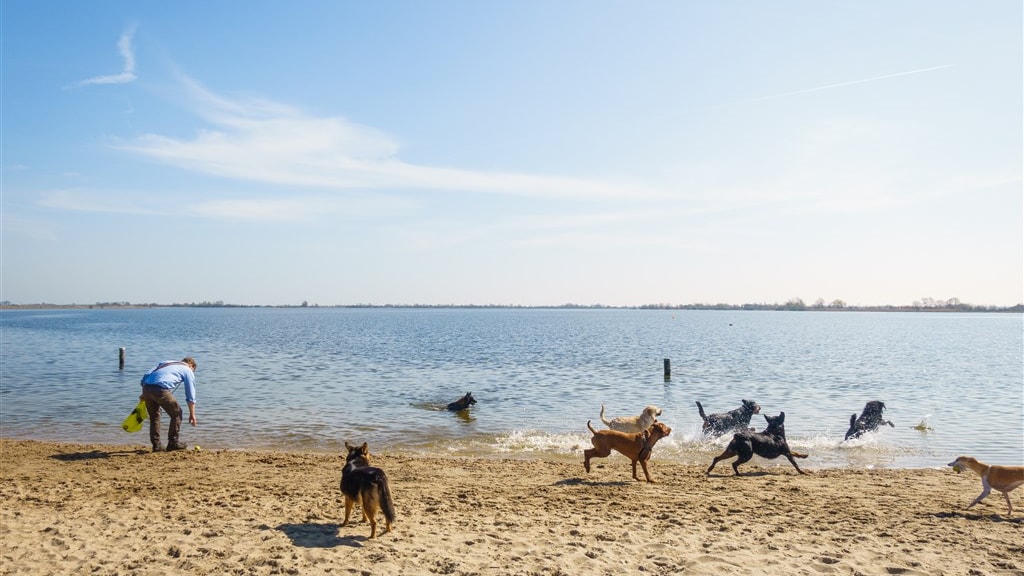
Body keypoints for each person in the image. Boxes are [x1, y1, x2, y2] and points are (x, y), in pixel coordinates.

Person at [139, 357, 198, 452]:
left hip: (146, 388)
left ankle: (156, 445)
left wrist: (144, 392)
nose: (192, 373)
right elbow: (190, 393)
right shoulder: (188, 370)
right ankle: (173, 442)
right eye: (193, 371)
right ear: (191, 365)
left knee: (154, 417)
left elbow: (147, 375)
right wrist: (192, 414)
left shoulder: (166, 362)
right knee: (177, 414)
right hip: (160, 389)